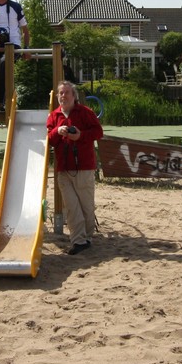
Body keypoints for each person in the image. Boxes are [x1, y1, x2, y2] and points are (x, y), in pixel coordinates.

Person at [46, 80, 103, 255]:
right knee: (71, 207)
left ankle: (87, 237)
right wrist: (57, 131)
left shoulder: (85, 112)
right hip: (64, 169)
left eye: (66, 93)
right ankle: (78, 240)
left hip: (84, 167)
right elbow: (48, 139)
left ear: (74, 96)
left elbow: (98, 132)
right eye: (60, 93)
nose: (63, 96)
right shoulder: (54, 116)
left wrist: (80, 136)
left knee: (86, 206)